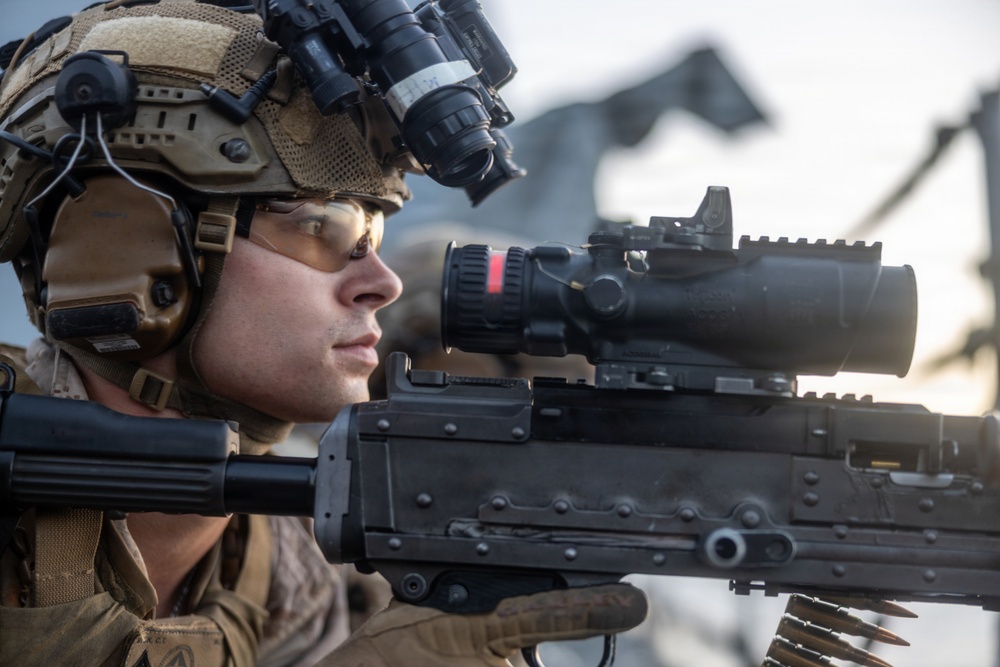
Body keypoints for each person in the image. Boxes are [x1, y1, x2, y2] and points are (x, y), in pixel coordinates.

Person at [0, 2, 647, 666]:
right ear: (127, 242)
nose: (383, 282)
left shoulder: (292, 553)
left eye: (375, 231)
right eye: (322, 224)